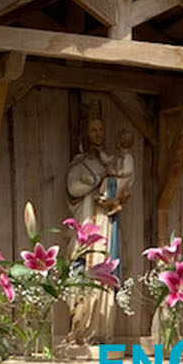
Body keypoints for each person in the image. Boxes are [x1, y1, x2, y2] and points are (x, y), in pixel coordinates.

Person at [66, 110, 135, 342]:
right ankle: (81, 329)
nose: (98, 135)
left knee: (104, 269)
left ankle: (102, 330)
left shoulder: (112, 161)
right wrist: (96, 180)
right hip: (86, 223)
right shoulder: (80, 163)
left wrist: (118, 195)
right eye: (93, 130)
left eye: (101, 130)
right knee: (84, 268)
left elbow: (125, 185)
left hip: (105, 224)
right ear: (85, 133)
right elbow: (73, 188)